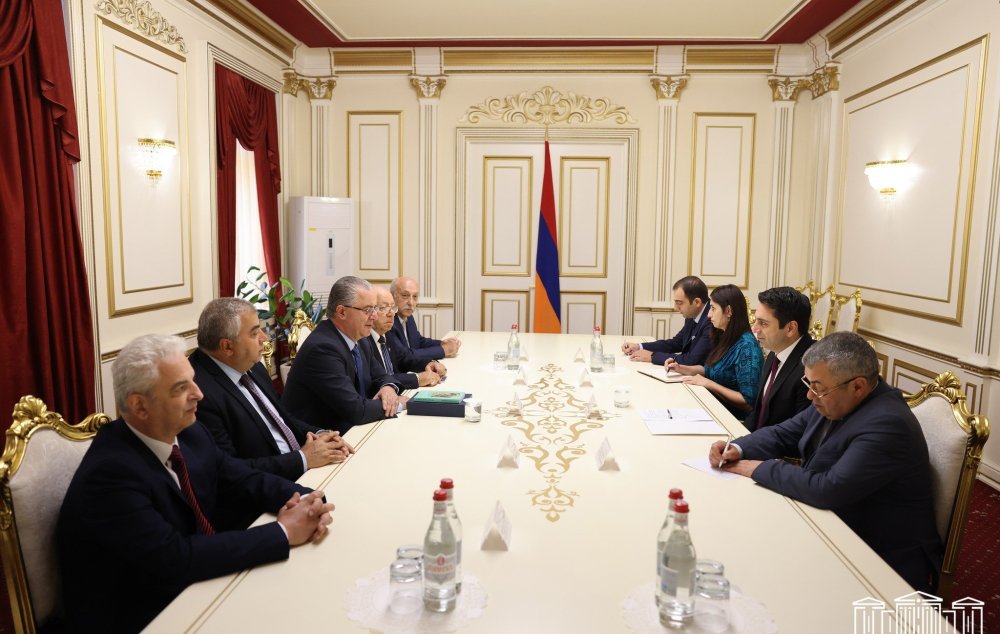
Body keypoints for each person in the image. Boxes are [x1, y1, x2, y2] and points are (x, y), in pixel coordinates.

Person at [58, 334, 334, 633]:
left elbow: (242, 478)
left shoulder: (190, 432)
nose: (199, 394)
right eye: (181, 388)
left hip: (196, 584)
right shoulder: (110, 475)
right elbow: (175, 558)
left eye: (193, 380)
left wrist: (307, 501)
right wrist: (284, 531)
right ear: (139, 406)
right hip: (144, 613)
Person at [708, 332, 942, 592]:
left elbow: (828, 488)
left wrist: (758, 468)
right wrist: (737, 448)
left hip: (877, 557)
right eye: (808, 383)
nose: (810, 396)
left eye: (817, 387)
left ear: (858, 386)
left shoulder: (888, 424)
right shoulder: (834, 398)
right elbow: (783, 433)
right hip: (833, 524)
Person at [189, 298, 353, 488]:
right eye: (254, 333)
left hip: (305, 471)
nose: (264, 338)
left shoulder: (253, 366)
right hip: (270, 489)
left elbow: (283, 419)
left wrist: (322, 435)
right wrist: (303, 458)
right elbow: (229, 472)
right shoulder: (199, 395)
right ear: (227, 346)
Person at [283, 276, 401, 434]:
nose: (374, 316)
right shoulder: (323, 349)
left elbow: (382, 376)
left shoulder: (360, 339)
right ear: (342, 312)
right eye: (367, 310)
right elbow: (356, 410)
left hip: (355, 428)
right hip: (323, 437)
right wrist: (397, 403)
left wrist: (388, 388)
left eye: (374, 308)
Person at [669, 284, 763, 417]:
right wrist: (681, 368)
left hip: (731, 418)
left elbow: (748, 401)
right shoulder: (724, 335)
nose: (708, 315)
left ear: (728, 311)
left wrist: (709, 384)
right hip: (712, 407)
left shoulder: (747, 347)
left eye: (713, 308)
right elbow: (710, 370)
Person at [744, 287, 814, 430]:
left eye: (763, 323)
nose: (754, 329)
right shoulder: (776, 350)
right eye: (756, 321)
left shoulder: (811, 368)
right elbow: (758, 412)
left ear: (790, 328)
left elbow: (798, 431)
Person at [363, 286, 448, 389]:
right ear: (370, 311)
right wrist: (417, 378)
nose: (391, 314)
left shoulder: (386, 332)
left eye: (392, 307)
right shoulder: (363, 340)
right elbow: (377, 379)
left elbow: (403, 358)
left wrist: (428, 363)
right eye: (383, 308)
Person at [621, 276, 713, 366]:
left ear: (697, 302)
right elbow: (676, 343)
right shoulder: (692, 313)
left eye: (679, 303)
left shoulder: (711, 319)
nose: (675, 308)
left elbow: (692, 360)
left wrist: (652, 356)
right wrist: (639, 347)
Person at [389, 276, 461, 367]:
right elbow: (405, 357)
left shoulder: (408, 316)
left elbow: (418, 341)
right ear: (392, 296)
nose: (411, 303)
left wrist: (442, 343)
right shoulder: (388, 321)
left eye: (415, 296)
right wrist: (444, 350)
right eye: (405, 295)